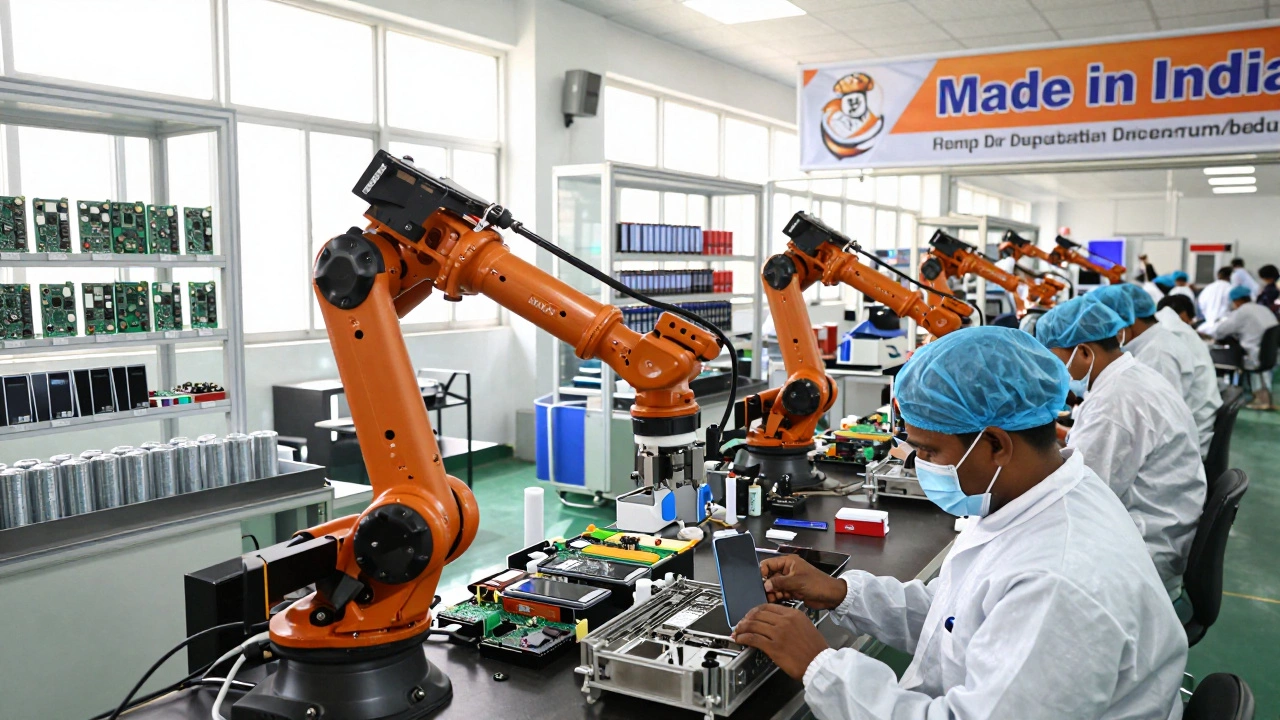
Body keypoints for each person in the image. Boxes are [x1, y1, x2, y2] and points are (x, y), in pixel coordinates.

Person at [732, 327, 1187, 720]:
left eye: (928, 451)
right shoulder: (1035, 499)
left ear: (996, 444)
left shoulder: (1057, 580)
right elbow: (957, 618)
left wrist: (819, 664)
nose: (918, 463)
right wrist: (843, 592)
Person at [1035, 298, 1205, 602]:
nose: (1055, 373)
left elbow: (1077, 496)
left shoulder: (1115, 402)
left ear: (1084, 352)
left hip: (1144, 552)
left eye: (1055, 362)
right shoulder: (1130, 378)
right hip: (1162, 528)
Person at [1088, 284, 1219, 458]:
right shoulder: (1156, 339)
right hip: (1175, 435)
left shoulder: (1158, 354)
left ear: (1128, 320)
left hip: (1178, 452)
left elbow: (1153, 421)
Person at [1208, 285, 1279, 410]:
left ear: (1237, 301)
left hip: (1253, 355)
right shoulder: (1263, 309)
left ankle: (1231, 393)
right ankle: (1261, 396)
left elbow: (1220, 331)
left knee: (1215, 355)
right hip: (1270, 355)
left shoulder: (1242, 312)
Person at [1198, 267, 1234, 332]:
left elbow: (1201, 305)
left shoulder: (1207, 288)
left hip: (1207, 326)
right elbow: (1233, 306)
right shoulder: (1231, 289)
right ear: (1231, 276)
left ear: (1218, 275)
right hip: (1226, 326)